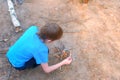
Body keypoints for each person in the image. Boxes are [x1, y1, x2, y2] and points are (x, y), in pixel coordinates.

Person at [6, 23, 72, 73]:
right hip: (18, 65)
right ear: (49, 40)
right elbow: (47, 70)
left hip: (9, 54)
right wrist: (63, 62)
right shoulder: (42, 50)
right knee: (45, 52)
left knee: (36, 52)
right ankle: (31, 66)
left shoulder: (33, 28)